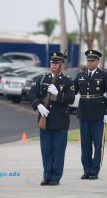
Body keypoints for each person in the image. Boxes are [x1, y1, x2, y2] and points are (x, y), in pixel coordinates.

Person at [27, 52, 75, 186]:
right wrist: (38, 105)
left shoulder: (67, 80)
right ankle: (47, 175)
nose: (54, 65)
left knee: (58, 151)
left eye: (57, 63)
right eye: (53, 63)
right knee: (46, 150)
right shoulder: (43, 78)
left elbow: (71, 99)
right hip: (45, 120)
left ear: (62, 65)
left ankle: (56, 177)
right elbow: (31, 93)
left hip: (60, 121)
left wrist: (58, 94)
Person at [73, 49, 107, 180]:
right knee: (85, 144)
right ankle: (87, 169)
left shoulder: (104, 75)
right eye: (88, 60)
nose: (90, 63)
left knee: (98, 144)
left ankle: (95, 170)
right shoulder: (80, 76)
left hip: (98, 114)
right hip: (84, 113)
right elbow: (72, 91)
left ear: (97, 62)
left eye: (92, 61)